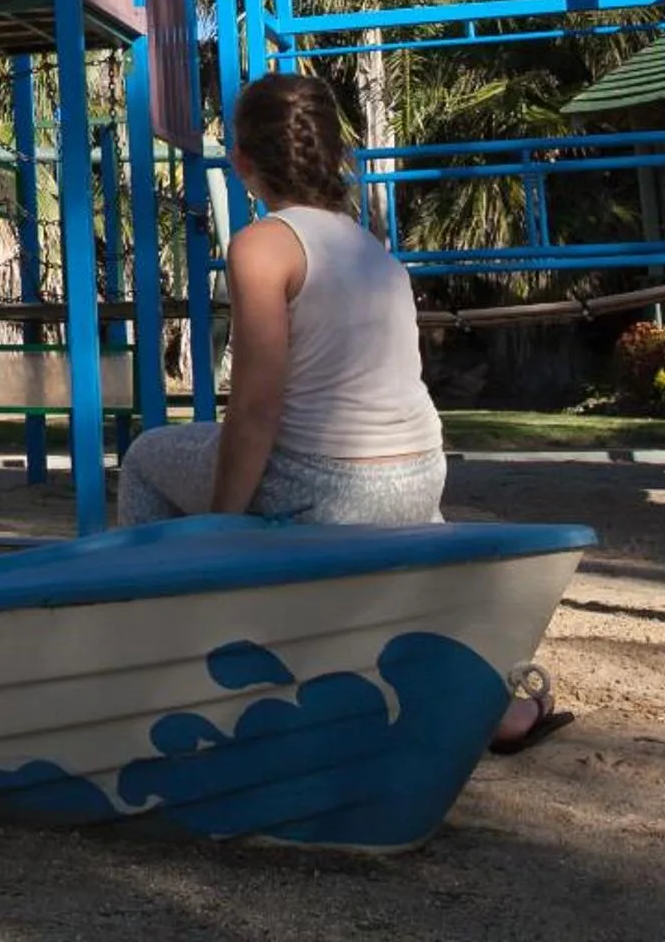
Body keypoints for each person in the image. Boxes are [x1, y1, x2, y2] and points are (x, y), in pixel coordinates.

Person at [115, 72, 572, 756]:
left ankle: (162, 668)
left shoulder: (263, 245)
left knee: (148, 458)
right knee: (405, 557)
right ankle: (493, 704)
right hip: (418, 477)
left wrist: (221, 526)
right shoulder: (373, 250)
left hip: (328, 485)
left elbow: (257, 406)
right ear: (333, 156)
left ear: (241, 162)